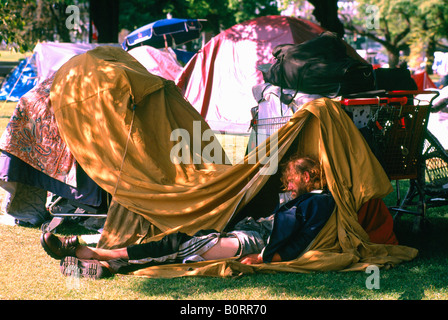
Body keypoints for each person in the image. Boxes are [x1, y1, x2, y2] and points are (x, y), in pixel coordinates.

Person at [40, 155, 336, 279]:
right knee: (176, 248)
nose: (288, 185)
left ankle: (88, 252)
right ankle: (102, 265)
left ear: (308, 176)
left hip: (253, 242)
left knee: (178, 248)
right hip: (246, 234)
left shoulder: (318, 202)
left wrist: (265, 258)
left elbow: (300, 241)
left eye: (292, 180)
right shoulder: (305, 200)